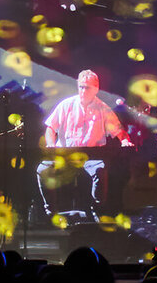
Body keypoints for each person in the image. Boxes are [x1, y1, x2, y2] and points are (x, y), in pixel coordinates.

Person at [37, 70, 133, 218]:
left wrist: (125, 140)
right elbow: (51, 128)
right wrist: (51, 144)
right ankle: (51, 212)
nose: (83, 91)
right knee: (43, 169)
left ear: (96, 89)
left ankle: (97, 211)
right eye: (81, 87)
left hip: (92, 157)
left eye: (87, 87)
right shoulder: (66, 105)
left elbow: (119, 131)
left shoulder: (103, 109)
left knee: (100, 172)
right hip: (65, 155)